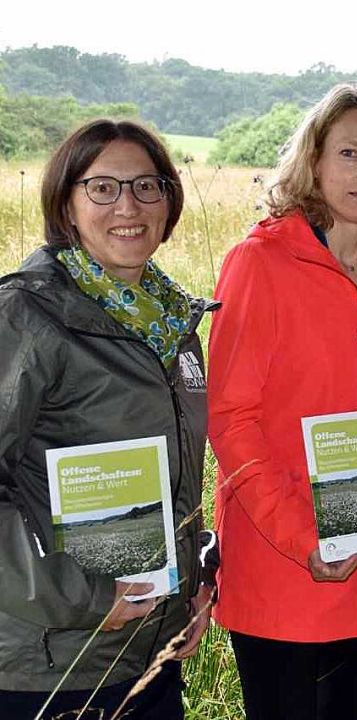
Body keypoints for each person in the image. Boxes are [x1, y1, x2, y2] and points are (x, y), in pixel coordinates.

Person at [207, 83, 357, 720]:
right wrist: (303, 538)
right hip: (285, 568)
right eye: (349, 153)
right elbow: (231, 420)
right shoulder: (258, 263)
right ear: (314, 162)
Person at [0, 119, 216, 720]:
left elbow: (175, 478)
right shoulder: (27, 315)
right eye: (103, 188)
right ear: (66, 203)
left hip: (148, 653)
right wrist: (88, 597)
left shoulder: (174, 326)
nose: (128, 205)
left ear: (170, 201)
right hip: (47, 662)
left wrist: (193, 583)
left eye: (148, 186)